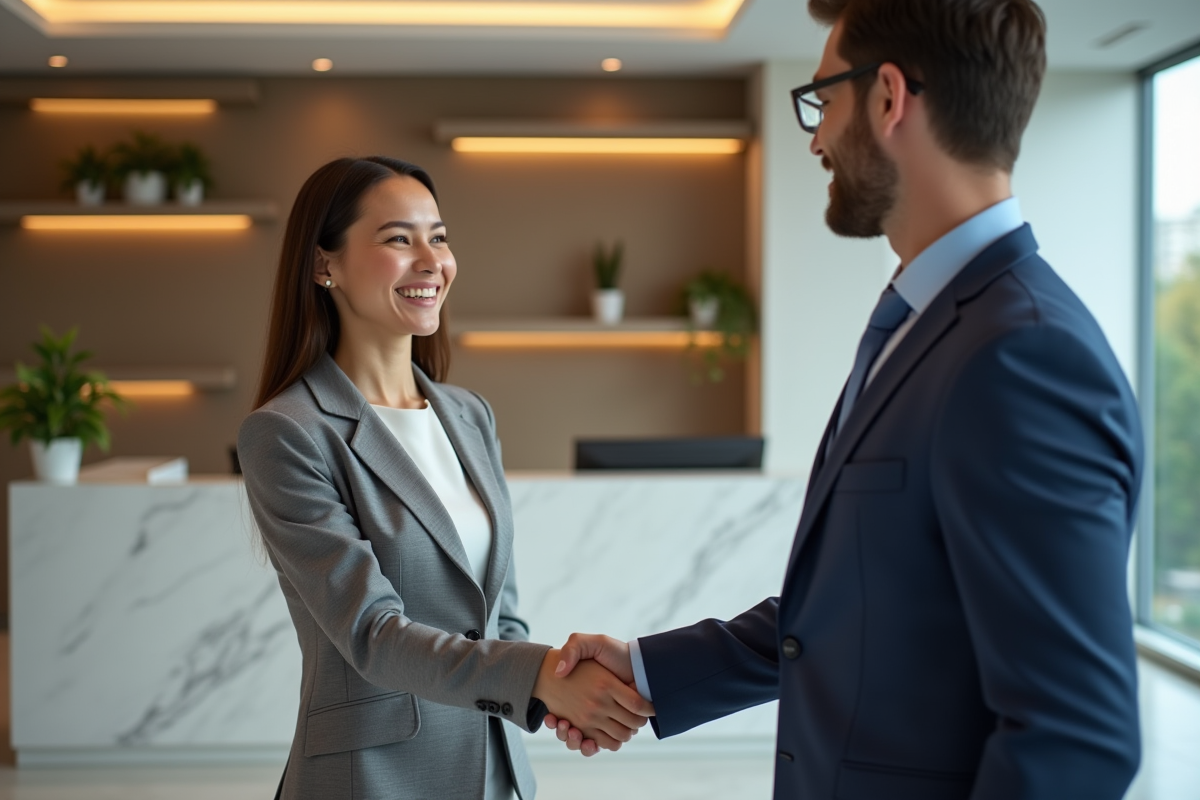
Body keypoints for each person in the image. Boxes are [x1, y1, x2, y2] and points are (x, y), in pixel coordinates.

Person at [546, 1, 1144, 798]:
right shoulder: (928, 319)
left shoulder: (1023, 354)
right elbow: (860, 608)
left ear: (889, 97)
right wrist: (649, 668)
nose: (816, 136)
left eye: (822, 100)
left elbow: (1076, 738)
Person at [238, 156, 653, 800]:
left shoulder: (468, 415)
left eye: (439, 236)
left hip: (494, 770)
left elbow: (498, 615)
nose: (432, 261)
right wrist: (540, 674)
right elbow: (371, 636)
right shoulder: (289, 432)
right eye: (399, 239)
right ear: (326, 265)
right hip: (371, 778)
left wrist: (553, 691)